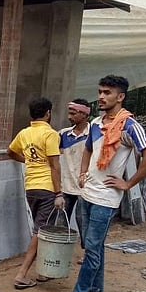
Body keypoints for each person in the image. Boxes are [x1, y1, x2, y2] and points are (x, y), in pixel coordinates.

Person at [71, 75, 146, 292]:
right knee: (92, 245)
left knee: (92, 247)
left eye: (107, 93)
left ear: (120, 97)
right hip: (88, 193)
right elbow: (88, 149)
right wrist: (82, 173)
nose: (101, 96)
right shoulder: (96, 123)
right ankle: (96, 290)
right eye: (100, 91)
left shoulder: (129, 126)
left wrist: (128, 183)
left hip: (106, 198)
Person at [8, 97, 64, 289]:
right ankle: (21, 274)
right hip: (47, 188)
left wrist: (28, 161)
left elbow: (10, 152)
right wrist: (59, 193)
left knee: (41, 230)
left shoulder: (24, 133)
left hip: (31, 187)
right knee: (40, 232)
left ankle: (42, 271)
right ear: (48, 113)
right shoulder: (50, 134)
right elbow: (55, 165)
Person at [58, 98, 92, 253]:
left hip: (86, 186)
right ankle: (59, 252)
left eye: (73, 113)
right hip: (66, 186)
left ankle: (87, 253)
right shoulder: (63, 134)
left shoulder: (94, 134)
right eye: (69, 113)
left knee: (83, 222)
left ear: (84, 114)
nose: (69, 117)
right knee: (61, 222)